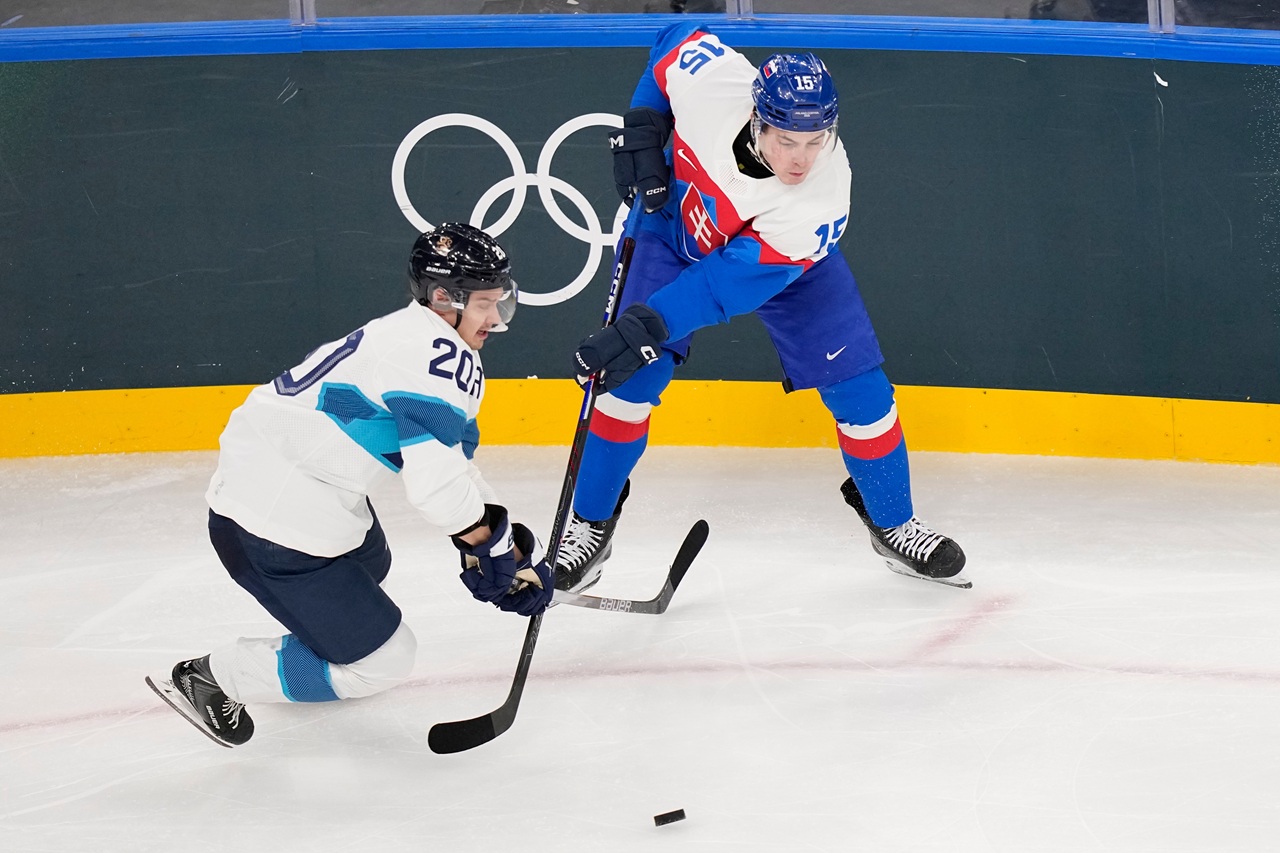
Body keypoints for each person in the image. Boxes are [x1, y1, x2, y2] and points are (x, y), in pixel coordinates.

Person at [556, 23, 969, 595]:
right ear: (757, 120)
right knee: (627, 384)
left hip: (785, 263)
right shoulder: (715, 83)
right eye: (786, 141)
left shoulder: (820, 198)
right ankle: (589, 526)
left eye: (816, 141)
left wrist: (642, 326)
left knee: (862, 392)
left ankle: (895, 524)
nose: (802, 159)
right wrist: (644, 128)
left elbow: (718, 288)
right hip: (670, 231)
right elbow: (669, 42)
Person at [146, 223, 554, 748]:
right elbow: (435, 489)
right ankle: (214, 677)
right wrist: (486, 545)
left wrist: (507, 548)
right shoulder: (434, 357)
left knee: (370, 565)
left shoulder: (425, 341)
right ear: (442, 299)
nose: (496, 319)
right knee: (385, 661)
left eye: (501, 302)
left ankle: (324, 642)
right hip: (270, 523)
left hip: (295, 489)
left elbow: (453, 468)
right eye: (484, 305)